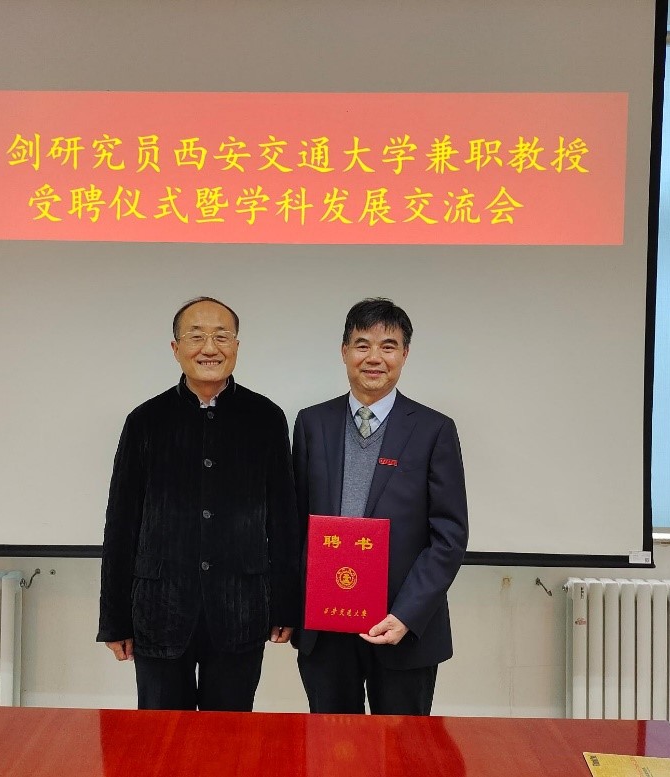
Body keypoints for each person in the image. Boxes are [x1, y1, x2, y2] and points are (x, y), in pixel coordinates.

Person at [97, 296, 298, 711]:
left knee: (230, 736)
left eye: (221, 336)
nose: (210, 348)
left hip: (240, 606)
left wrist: (286, 605)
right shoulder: (145, 421)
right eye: (196, 337)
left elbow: (283, 520)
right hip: (160, 608)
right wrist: (114, 619)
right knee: (162, 737)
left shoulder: (266, 418)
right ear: (176, 348)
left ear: (236, 346)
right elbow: (121, 523)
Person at [292, 297, 468, 715]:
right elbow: (295, 524)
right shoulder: (312, 423)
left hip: (401, 627)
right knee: (332, 746)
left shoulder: (434, 429)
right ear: (344, 352)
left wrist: (406, 614)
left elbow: (449, 535)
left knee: (402, 747)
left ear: (404, 354)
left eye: (388, 346)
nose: (374, 358)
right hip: (326, 627)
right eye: (362, 345)